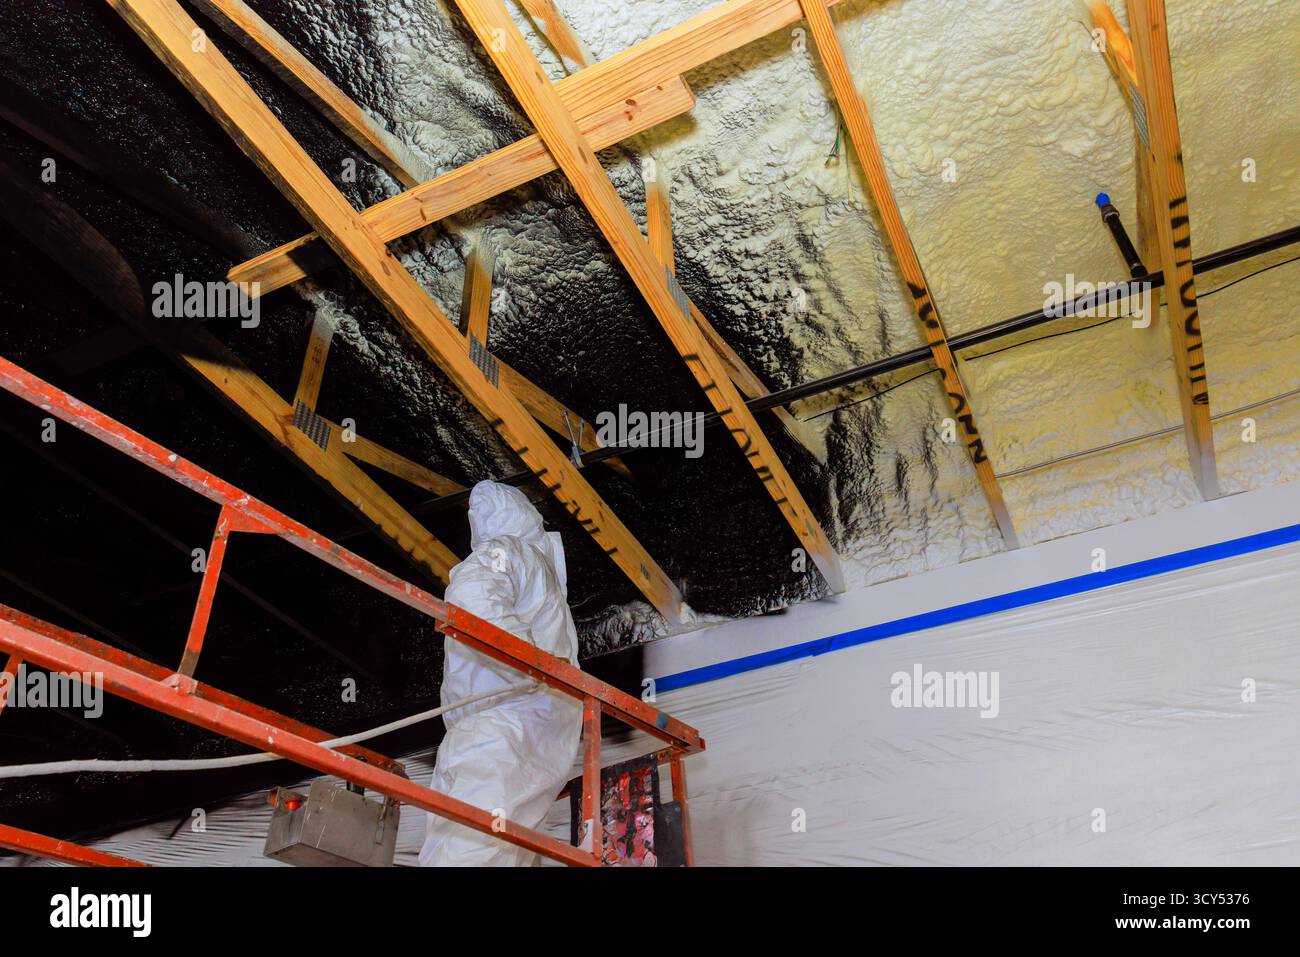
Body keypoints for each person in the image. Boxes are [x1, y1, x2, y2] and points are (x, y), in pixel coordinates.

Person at [419, 480, 584, 866]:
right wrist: (535, 664)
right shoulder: (510, 550)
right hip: (506, 727)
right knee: (479, 850)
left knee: (491, 847)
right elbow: (471, 596)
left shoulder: (521, 562)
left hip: (500, 730)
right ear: (526, 515)